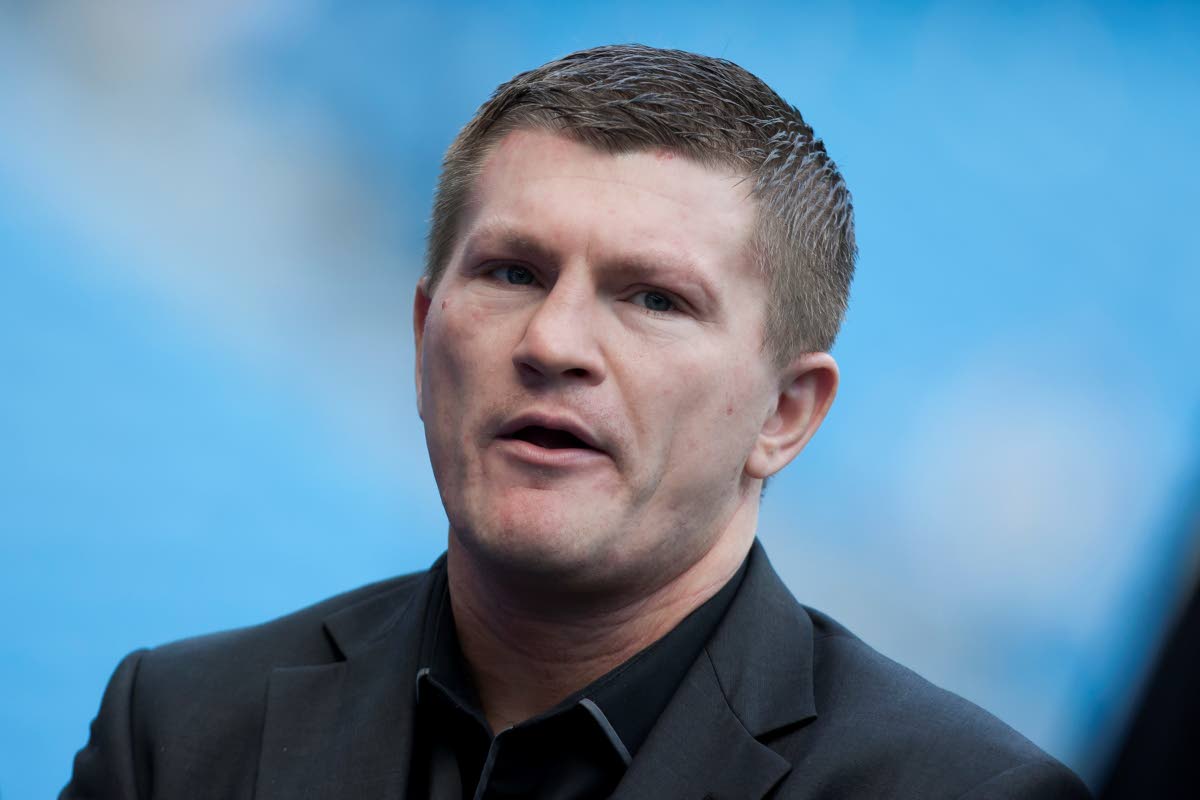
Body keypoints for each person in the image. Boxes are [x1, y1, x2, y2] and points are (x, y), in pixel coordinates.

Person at [62, 44, 1091, 799]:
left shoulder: (962, 792)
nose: (553, 341)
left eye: (652, 298)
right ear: (425, 335)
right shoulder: (178, 726)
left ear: (785, 412)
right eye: (512, 271)